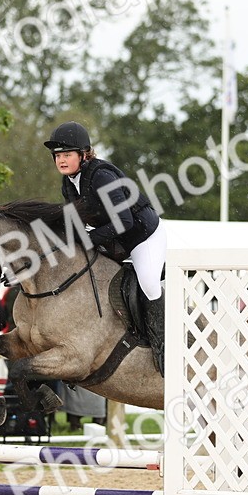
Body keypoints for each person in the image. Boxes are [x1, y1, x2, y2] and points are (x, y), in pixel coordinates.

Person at [44, 120, 167, 372]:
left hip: (143, 237)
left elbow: (124, 221)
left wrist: (88, 240)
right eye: (57, 156)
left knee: (149, 283)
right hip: (116, 240)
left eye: (67, 154)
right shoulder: (69, 183)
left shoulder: (101, 176)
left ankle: (164, 343)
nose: (61, 160)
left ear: (84, 153)